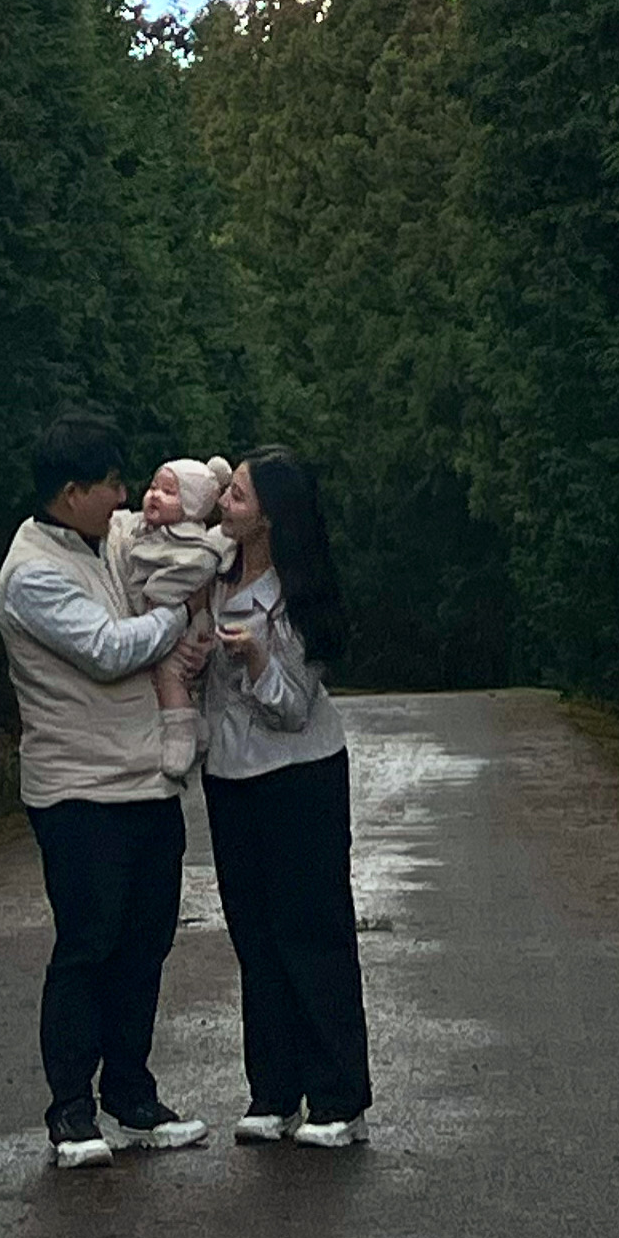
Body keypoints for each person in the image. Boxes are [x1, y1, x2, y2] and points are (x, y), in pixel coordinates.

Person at [0, 408, 212, 1169]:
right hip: (78, 790)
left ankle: (132, 1096)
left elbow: (174, 535)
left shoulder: (111, 535)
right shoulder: (31, 574)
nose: (125, 496)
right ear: (71, 492)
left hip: (149, 782)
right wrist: (181, 611)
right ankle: (71, 1113)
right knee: (88, 946)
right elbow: (111, 650)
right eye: (112, 484)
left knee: (145, 946)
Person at [200, 446, 374, 1150]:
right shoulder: (209, 571)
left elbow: (293, 709)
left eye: (238, 496)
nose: (224, 504)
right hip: (230, 776)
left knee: (313, 932)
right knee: (255, 934)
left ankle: (338, 1096)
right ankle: (273, 1089)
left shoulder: (299, 598)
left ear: (269, 517)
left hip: (300, 773)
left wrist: (258, 659)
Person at [121, 454, 237, 777]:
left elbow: (190, 574)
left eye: (169, 492)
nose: (155, 495)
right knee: (162, 675)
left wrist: (158, 594)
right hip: (171, 615)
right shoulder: (147, 531)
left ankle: (180, 734)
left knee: (169, 674)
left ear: (192, 505)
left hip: (187, 623)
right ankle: (195, 727)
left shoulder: (195, 546)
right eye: (153, 487)